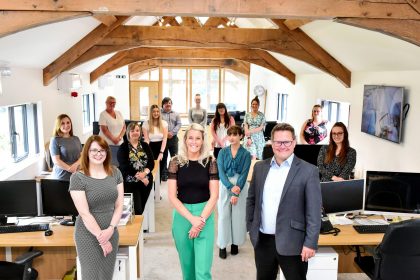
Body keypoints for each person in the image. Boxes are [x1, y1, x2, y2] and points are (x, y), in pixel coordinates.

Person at [246, 123, 322, 280]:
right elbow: (251, 200)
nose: (282, 146)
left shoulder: (309, 171)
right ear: (271, 143)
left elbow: (314, 212)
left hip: (294, 243)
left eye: (286, 142)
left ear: (294, 143)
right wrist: (250, 227)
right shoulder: (260, 167)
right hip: (263, 242)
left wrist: (310, 242)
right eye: (277, 142)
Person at [167, 123, 219, 280]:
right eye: (190, 138)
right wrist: (192, 220)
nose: (194, 142)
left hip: (205, 214)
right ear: (185, 139)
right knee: (187, 270)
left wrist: (200, 220)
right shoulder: (175, 162)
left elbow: (214, 195)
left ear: (203, 140)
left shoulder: (210, 162)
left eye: (198, 138)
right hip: (182, 217)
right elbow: (172, 196)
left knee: (203, 272)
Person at [69, 135, 124, 280]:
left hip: (111, 232)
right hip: (88, 235)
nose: (98, 154)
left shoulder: (115, 173)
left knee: (106, 276)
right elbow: (84, 213)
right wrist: (102, 239)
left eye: (102, 150)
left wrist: (111, 229)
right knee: (91, 276)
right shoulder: (78, 178)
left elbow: (119, 205)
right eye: (94, 150)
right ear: (86, 152)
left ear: (107, 152)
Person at [217, 125, 251, 259]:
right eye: (229, 134)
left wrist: (236, 192)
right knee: (224, 215)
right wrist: (230, 188)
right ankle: (222, 245)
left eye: (235, 134)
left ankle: (235, 244)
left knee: (238, 216)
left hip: (240, 186)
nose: (231, 137)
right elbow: (221, 172)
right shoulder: (222, 152)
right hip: (225, 185)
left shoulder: (246, 154)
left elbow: (244, 174)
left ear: (241, 136)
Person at [117, 122, 155, 214]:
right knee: (137, 210)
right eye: (132, 130)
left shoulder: (145, 145)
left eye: (137, 130)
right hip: (130, 182)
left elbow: (151, 163)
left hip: (146, 182)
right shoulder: (123, 147)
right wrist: (140, 176)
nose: (135, 132)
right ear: (128, 132)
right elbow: (124, 166)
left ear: (140, 132)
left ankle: (141, 227)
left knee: (141, 208)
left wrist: (144, 174)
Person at [49, 114, 82, 180]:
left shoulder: (76, 138)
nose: (66, 125)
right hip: (62, 177)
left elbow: (82, 156)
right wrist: (69, 169)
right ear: (58, 125)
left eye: (68, 122)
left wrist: (75, 165)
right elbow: (56, 160)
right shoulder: (55, 140)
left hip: (77, 175)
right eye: (62, 123)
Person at [142, 104, 168, 179]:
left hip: (162, 148)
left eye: (157, 111)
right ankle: (151, 189)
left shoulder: (164, 123)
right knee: (151, 169)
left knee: (159, 170)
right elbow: (146, 139)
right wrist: (145, 151)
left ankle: (157, 190)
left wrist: (161, 152)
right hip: (151, 147)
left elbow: (165, 139)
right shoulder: (146, 123)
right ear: (151, 113)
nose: (156, 113)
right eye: (154, 111)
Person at [161, 97, 181, 181]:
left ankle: (172, 172)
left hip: (173, 138)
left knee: (174, 156)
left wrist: (172, 133)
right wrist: (165, 133)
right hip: (163, 139)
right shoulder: (159, 114)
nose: (168, 104)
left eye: (169, 103)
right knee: (164, 157)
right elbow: (158, 125)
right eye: (166, 103)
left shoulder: (176, 114)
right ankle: (164, 174)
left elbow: (179, 124)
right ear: (162, 105)